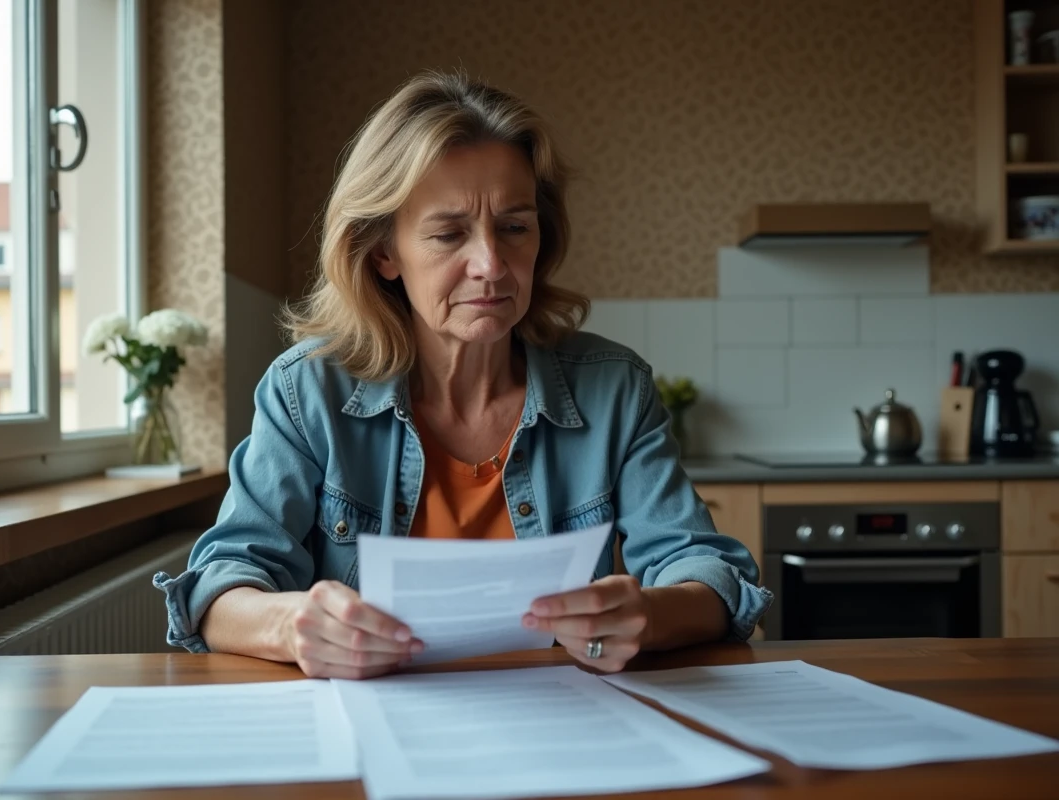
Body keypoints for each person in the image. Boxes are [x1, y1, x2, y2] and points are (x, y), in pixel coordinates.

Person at [154, 70, 771, 679]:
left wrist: (650, 614)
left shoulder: (614, 389)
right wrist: (292, 625)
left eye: (514, 227)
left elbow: (707, 571)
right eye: (450, 233)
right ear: (384, 253)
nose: (491, 264)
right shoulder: (307, 391)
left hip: (564, 731)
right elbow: (221, 585)